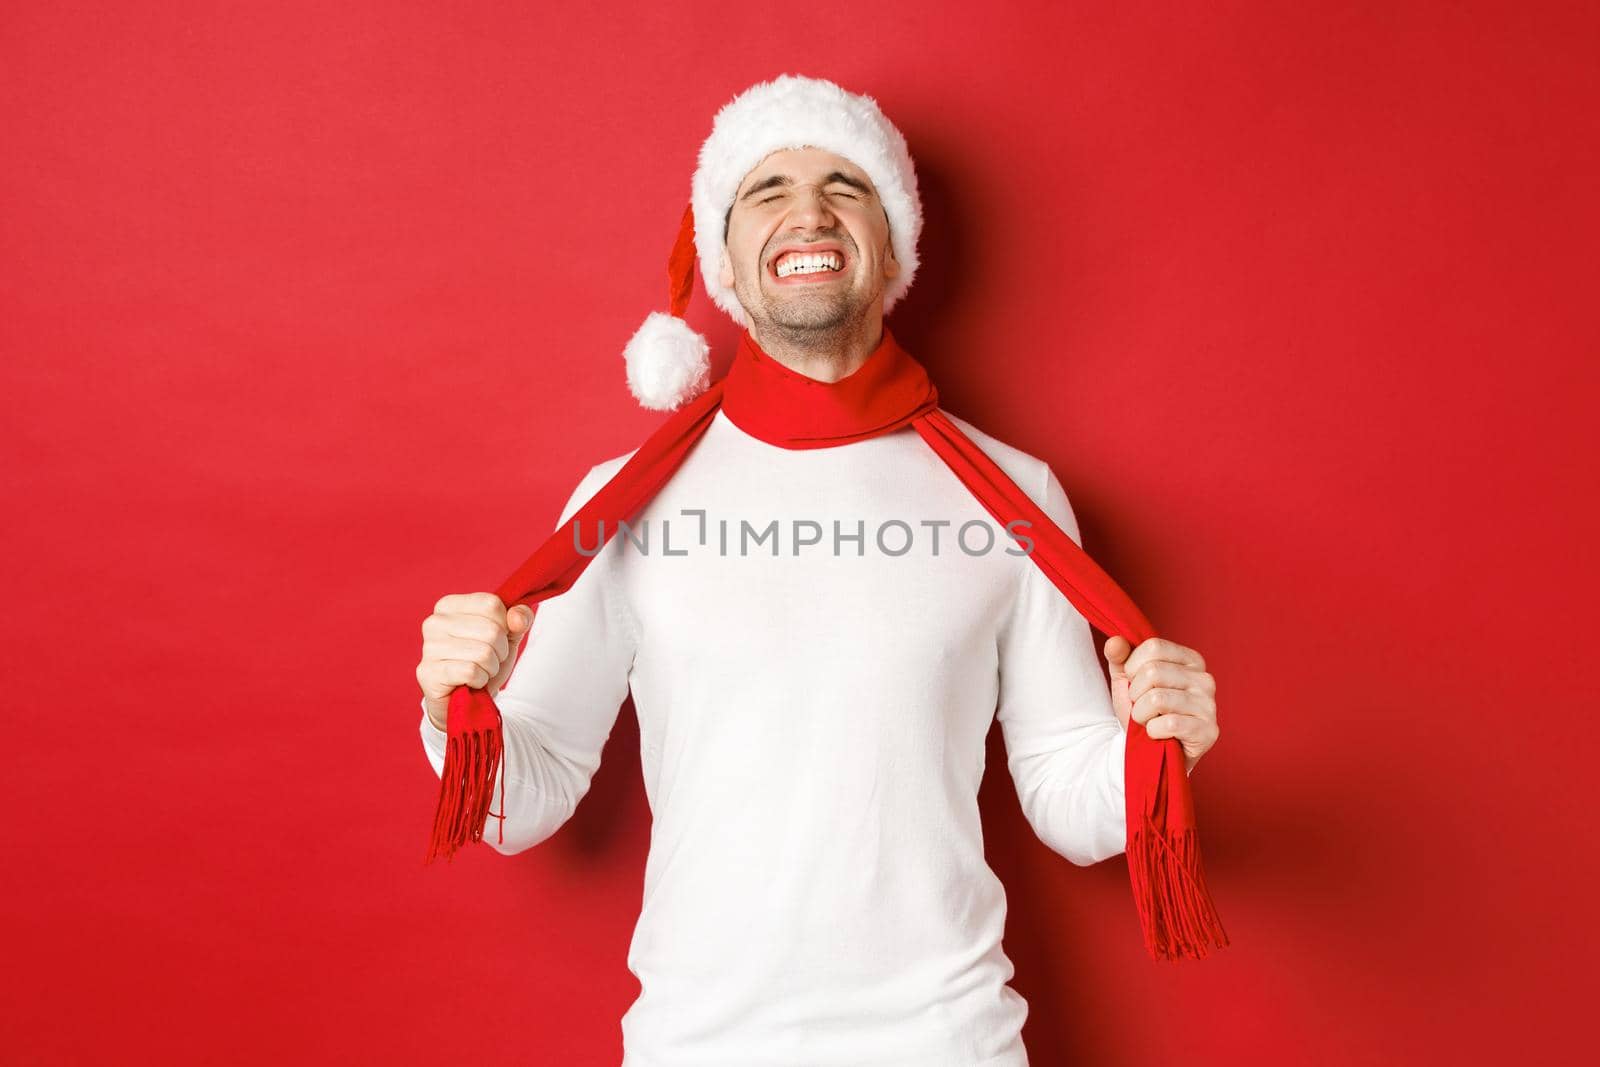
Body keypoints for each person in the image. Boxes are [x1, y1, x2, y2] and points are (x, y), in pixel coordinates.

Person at [415, 74, 1221, 1067]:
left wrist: (1156, 738)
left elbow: (1070, 797)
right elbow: (517, 804)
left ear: (891, 245)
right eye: (766, 190)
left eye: (847, 185)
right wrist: (456, 702)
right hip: (695, 1045)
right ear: (723, 257)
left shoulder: (1013, 493)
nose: (808, 210)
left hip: (950, 1041)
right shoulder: (617, 501)